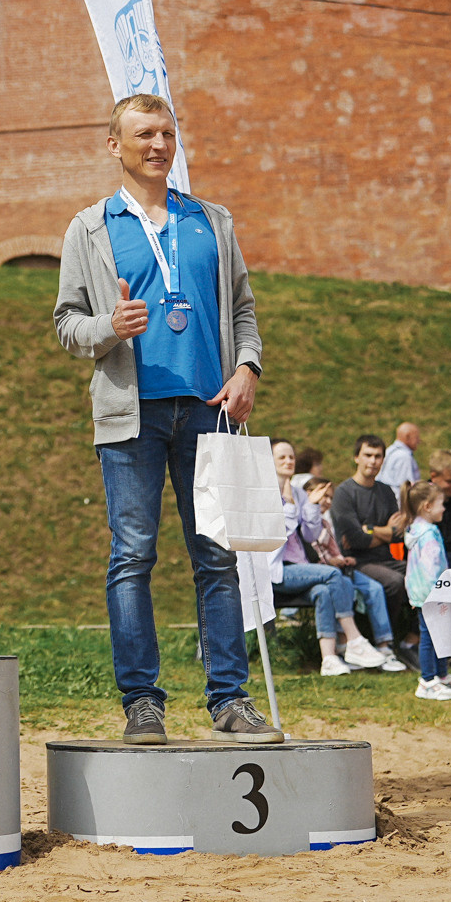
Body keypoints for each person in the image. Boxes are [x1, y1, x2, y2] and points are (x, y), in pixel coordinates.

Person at [55, 93, 278, 743]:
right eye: (143, 134)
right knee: (132, 556)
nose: (158, 144)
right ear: (114, 146)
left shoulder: (212, 221)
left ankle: (230, 701)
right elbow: (67, 324)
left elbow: (242, 308)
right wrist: (109, 326)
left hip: (210, 412)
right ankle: (142, 705)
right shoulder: (91, 228)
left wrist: (248, 368)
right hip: (132, 417)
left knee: (216, 559)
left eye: (166, 133)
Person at [272, 442, 392, 675]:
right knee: (332, 574)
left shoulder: (296, 491)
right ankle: (354, 639)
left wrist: (313, 506)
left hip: (300, 567)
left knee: (324, 591)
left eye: (291, 457)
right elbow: (277, 537)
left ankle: (329, 659)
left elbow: (310, 534)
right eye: (282, 458)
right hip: (277, 569)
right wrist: (290, 508)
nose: (289, 461)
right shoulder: (265, 494)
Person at [299, 474, 404, 671]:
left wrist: (341, 558)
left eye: (330, 497)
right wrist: (333, 560)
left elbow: (335, 550)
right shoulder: (305, 523)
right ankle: (346, 644)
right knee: (343, 587)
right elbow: (313, 554)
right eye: (323, 496)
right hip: (327, 572)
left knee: (374, 589)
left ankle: (384, 645)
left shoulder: (326, 525)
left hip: (340, 568)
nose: (327, 501)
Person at [333, 434, 413, 636]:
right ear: (356, 458)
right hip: (356, 562)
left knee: (422, 572)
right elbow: (354, 540)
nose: (373, 461)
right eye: (367, 455)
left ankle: (415, 638)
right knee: (394, 581)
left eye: (378, 456)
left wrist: (368, 528)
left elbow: (398, 534)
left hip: (385, 559)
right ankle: (387, 639)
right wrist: (383, 531)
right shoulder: (344, 493)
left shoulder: (385, 491)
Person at [403, 480, 451, 700]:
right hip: (429, 593)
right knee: (429, 637)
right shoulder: (427, 535)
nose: (444, 508)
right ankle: (427, 680)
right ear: (427, 506)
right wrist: (440, 589)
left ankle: (441, 676)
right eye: (440, 504)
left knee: (437, 635)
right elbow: (431, 567)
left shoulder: (419, 530)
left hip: (423, 592)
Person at [381, 421, 424, 492]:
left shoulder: (389, 450)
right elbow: (406, 488)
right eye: (416, 437)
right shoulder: (404, 457)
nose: (419, 441)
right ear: (407, 436)